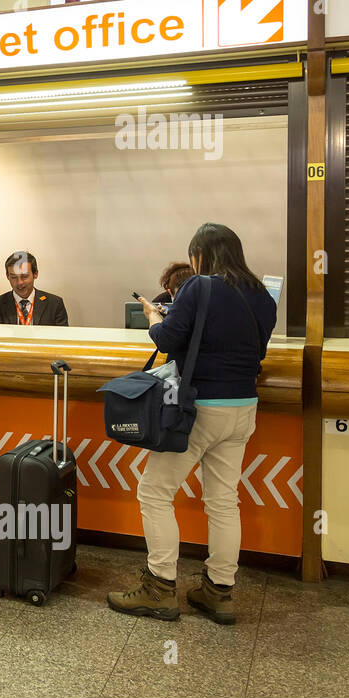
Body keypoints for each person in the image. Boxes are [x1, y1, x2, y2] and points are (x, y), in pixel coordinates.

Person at [107, 223, 276, 625]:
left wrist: (153, 318)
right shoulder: (263, 297)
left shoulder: (199, 287)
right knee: (223, 501)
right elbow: (254, 347)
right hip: (243, 408)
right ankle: (218, 592)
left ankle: (160, 588)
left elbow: (166, 339)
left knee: (154, 492)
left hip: (200, 408)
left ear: (200, 256)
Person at [0, 251, 69, 326]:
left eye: (24, 276)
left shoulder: (54, 304)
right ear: (7, 276)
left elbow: (62, 339)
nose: (19, 282)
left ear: (35, 274)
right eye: (13, 277)